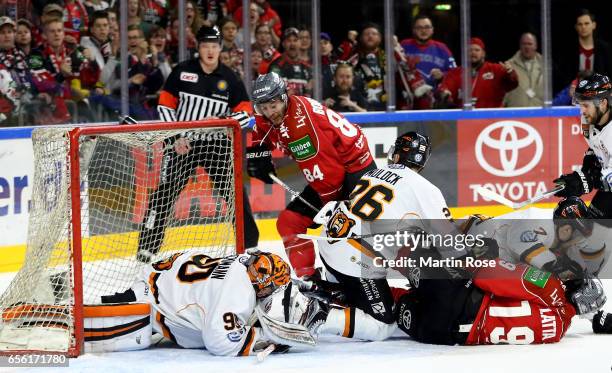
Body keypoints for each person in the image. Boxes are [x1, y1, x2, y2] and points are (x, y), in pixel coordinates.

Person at [309, 131, 464, 341]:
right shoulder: (425, 188)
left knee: (356, 296)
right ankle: (315, 313)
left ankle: (326, 289)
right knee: (382, 325)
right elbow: (451, 241)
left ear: (396, 154)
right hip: (355, 259)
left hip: (329, 246)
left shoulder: (372, 173)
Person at [137, 25, 259, 263]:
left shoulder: (230, 78)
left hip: (217, 147)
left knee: (236, 196)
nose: (210, 51)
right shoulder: (182, 72)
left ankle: (251, 248)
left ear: (221, 48)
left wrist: (223, 121)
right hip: (184, 144)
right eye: (206, 46)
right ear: (198, 48)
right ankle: (146, 249)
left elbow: (245, 113)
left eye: (214, 46)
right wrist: (175, 137)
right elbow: (165, 105)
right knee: (163, 195)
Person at [247, 72, 376, 277]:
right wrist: (258, 154)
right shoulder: (274, 111)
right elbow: (260, 130)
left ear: (284, 98)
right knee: (289, 222)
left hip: (355, 169)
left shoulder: (300, 128)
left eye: (273, 106)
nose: (270, 112)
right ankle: (310, 280)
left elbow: (328, 176)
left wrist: (332, 212)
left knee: (346, 234)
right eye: (264, 107)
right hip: (333, 168)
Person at [97, 250, 304, 356]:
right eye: (271, 289)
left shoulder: (244, 261)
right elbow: (220, 341)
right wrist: (265, 337)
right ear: (262, 285)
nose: (271, 293)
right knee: (87, 332)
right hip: (149, 304)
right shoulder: (238, 291)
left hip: (163, 274)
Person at [394, 257, 605, 345]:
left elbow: (489, 273)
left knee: (406, 252)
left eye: (576, 282)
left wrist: (466, 261)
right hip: (442, 334)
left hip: (454, 299)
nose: (570, 279)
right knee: (389, 306)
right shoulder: (558, 332)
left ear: (580, 292)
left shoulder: (552, 288)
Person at [553, 73, 612, 224]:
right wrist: (589, 166)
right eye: (580, 104)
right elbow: (597, 148)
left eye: (586, 105)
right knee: (593, 228)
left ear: (603, 103)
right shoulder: (588, 120)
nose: (582, 111)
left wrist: (586, 181)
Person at [437, 37, 518, 108]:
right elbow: (445, 88)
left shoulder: (495, 69)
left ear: (483, 54)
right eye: (470, 50)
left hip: (491, 118)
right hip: (464, 119)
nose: (473, 53)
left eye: (477, 50)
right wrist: (444, 93)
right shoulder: (455, 73)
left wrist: (510, 72)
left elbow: (513, 83)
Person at [554, 9, 612, 95]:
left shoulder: (605, 49)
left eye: (586, 23)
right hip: (574, 97)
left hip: (600, 96)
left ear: (594, 25)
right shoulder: (567, 51)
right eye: (580, 24)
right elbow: (562, 78)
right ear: (576, 27)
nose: (583, 27)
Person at [400, 14, 456, 89]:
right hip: (408, 96)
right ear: (413, 30)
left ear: (432, 30)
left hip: (435, 97)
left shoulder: (442, 48)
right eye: (419, 27)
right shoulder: (404, 45)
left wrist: (442, 75)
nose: (423, 31)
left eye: (427, 27)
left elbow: (455, 73)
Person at [268, 27, 313, 97]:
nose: (292, 44)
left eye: (295, 40)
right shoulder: (276, 65)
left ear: (300, 43)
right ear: (283, 44)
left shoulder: (307, 67)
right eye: (289, 40)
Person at [504, 32, 544, 107]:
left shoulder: (545, 65)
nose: (527, 47)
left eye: (530, 44)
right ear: (520, 46)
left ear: (536, 46)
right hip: (516, 114)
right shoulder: (509, 66)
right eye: (524, 44)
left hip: (539, 114)